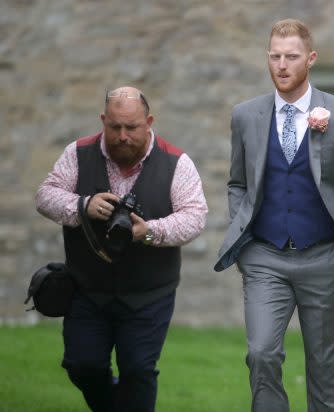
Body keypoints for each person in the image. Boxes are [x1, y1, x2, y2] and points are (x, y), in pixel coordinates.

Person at [214, 19, 334, 412]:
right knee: (261, 354)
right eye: (275, 56)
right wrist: (243, 243)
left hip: (325, 256)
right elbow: (237, 183)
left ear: (311, 58)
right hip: (264, 256)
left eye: (291, 56)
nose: (282, 65)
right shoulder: (245, 115)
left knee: (324, 368)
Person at [35, 86, 208, 412]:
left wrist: (148, 231)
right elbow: (45, 196)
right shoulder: (77, 153)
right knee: (82, 366)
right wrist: (83, 205)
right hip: (87, 289)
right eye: (114, 127)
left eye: (132, 127)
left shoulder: (177, 162)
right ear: (103, 120)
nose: (123, 136)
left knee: (138, 371)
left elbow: (195, 217)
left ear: (149, 121)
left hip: (149, 293)